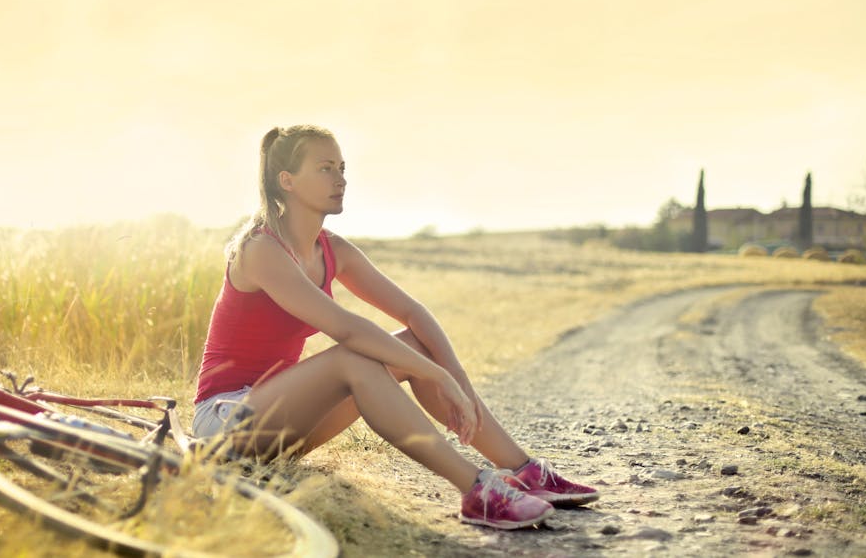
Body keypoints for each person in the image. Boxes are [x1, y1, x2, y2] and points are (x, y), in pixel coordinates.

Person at [192, 124, 599, 530]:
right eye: (325, 169)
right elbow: (348, 330)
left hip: (283, 422)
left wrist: (453, 376)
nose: (341, 180)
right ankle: (476, 490)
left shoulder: (332, 250)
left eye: (342, 168)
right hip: (224, 420)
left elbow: (414, 313)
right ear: (288, 181)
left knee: (415, 345)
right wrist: (436, 374)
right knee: (355, 358)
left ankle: (523, 470)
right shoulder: (262, 249)